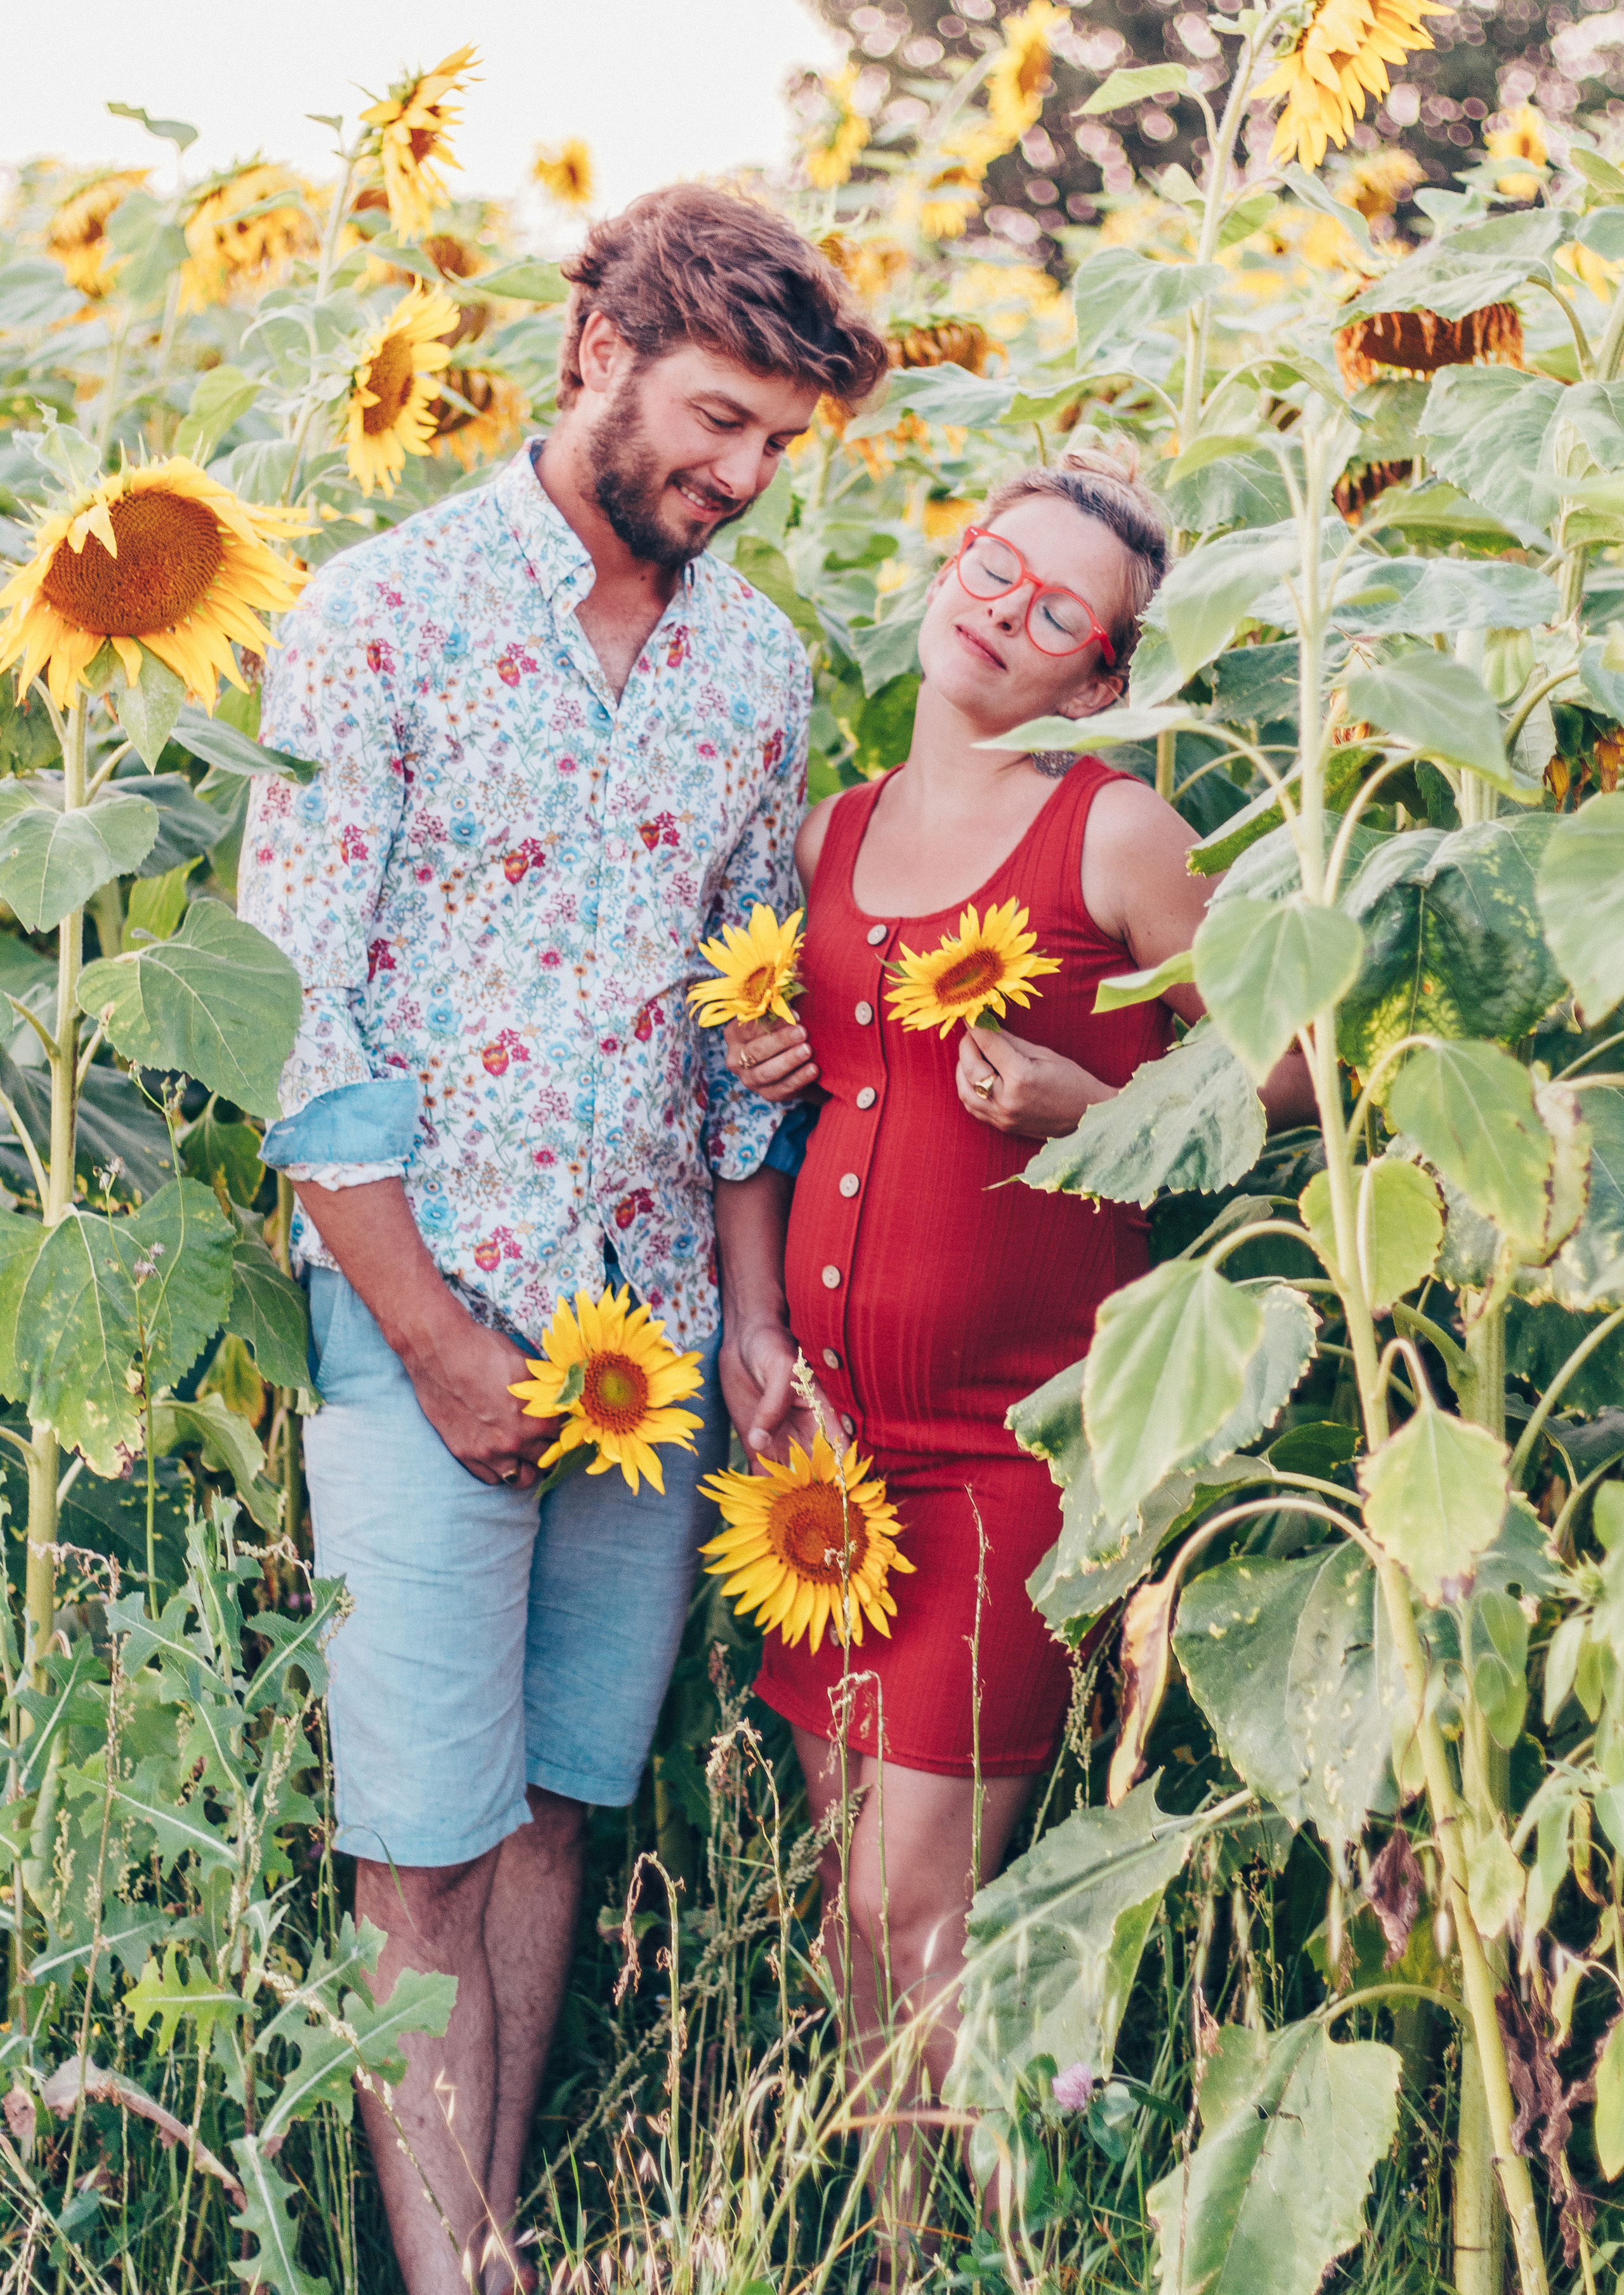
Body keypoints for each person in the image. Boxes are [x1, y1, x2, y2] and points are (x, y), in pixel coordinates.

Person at [240, 184, 886, 2295]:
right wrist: (427, 1336)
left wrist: (758, 1316)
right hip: (427, 1313)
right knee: (417, 1836)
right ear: (599, 351)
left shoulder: (756, 663)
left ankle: (487, 2240)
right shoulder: (383, 615)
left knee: (549, 1809)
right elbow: (297, 1008)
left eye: (781, 443)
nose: (745, 475)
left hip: (656, 1335)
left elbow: (738, 1030)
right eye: (720, 419)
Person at [726, 449, 1316, 2265]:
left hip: (1008, 1445)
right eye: (997, 566)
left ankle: (980, 2248)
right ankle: (933, 2239)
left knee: (923, 1911)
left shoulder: (1114, 833)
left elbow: (1291, 1071)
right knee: (851, 1905)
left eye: (1060, 609)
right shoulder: (828, 832)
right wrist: (753, 1324)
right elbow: (785, 1110)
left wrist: (1100, 1097)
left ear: (1103, 675)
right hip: (825, 1453)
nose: (1004, 607)